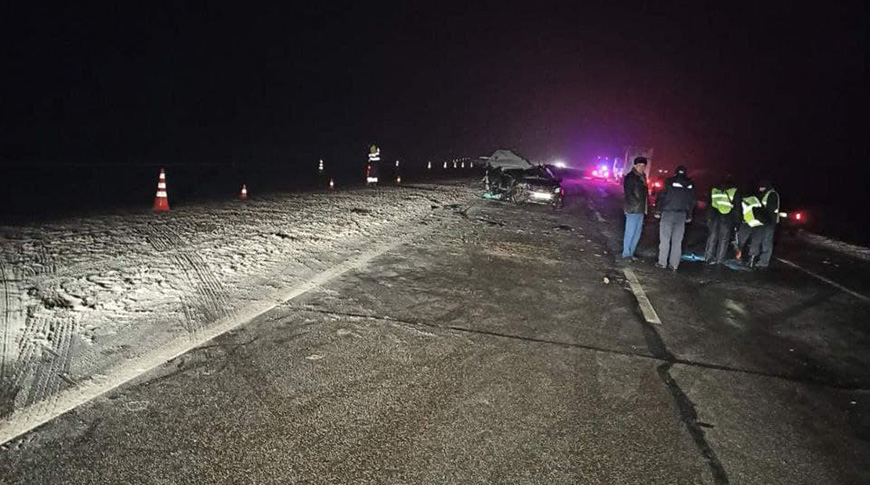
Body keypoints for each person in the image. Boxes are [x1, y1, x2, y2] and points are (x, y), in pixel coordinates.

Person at [654, 165, 696, 271]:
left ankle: (662, 262)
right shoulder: (690, 184)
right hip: (681, 215)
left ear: (675, 172)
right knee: (677, 241)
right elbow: (692, 201)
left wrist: (658, 211)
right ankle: (674, 264)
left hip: (668, 213)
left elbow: (661, 196)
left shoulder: (669, 181)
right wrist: (689, 215)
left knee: (665, 239)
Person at [704, 176, 739, 265]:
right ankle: (720, 260)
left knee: (712, 237)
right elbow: (737, 208)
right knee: (724, 239)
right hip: (727, 217)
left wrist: (708, 218)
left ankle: (708, 258)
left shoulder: (714, 190)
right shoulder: (734, 191)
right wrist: (737, 222)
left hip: (714, 215)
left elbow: (709, 204)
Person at [622, 157, 649, 260]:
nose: (641, 167)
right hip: (633, 209)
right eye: (639, 165)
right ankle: (626, 254)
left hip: (641, 210)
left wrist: (645, 208)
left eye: (643, 166)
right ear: (635, 166)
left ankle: (631, 253)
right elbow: (628, 193)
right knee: (630, 232)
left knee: (637, 233)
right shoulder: (630, 177)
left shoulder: (643, 177)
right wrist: (636, 204)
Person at [749, 180, 780, 269]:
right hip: (763, 222)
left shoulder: (772, 194)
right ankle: (755, 259)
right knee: (759, 240)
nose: (760, 189)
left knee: (766, 242)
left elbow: (769, 210)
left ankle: (763, 262)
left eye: (761, 187)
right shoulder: (764, 194)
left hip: (769, 222)